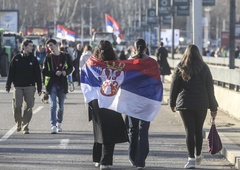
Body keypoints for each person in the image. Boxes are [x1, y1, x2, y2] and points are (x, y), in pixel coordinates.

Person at [169, 44, 218, 169]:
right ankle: (198, 154)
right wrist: (213, 107)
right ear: (198, 54)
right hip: (201, 104)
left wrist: (172, 102)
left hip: (185, 104)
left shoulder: (180, 67)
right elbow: (210, 89)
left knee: (189, 131)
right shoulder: (204, 67)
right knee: (198, 130)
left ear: (186, 53)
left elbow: (174, 87)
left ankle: (191, 159)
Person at [87, 40, 128, 170]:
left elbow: (86, 84)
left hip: (96, 100)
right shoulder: (118, 65)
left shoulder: (91, 64)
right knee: (110, 132)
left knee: (99, 129)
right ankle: (105, 161)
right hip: (112, 100)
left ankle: (97, 158)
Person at [5, 39, 42, 134]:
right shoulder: (16, 58)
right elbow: (11, 72)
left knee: (29, 107)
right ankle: (18, 122)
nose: (32, 47)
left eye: (32, 46)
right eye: (30, 46)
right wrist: (8, 85)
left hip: (30, 86)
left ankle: (25, 127)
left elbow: (38, 74)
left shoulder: (33, 59)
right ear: (24, 46)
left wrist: (39, 88)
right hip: (18, 86)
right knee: (17, 106)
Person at [126, 38, 152, 170]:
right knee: (143, 130)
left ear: (134, 48)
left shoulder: (130, 62)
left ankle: (133, 156)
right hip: (146, 100)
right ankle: (141, 160)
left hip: (132, 99)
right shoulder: (151, 62)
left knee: (133, 129)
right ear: (146, 48)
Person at [42, 38, 73, 134]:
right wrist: (54, 73)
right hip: (52, 85)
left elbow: (71, 68)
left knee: (61, 106)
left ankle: (59, 123)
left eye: (51, 45)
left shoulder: (65, 56)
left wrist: (64, 72)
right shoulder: (48, 58)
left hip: (62, 84)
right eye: (48, 47)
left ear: (56, 45)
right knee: (53, 105)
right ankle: (53, 125)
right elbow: (44, 71)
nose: (50, 48)